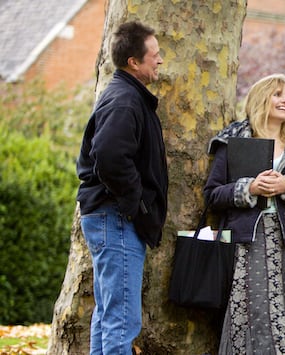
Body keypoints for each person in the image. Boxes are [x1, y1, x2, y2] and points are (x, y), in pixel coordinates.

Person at [204, 73, 285, 355]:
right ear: (262, 98)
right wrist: (250, 188)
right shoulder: (234, 140)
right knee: (256, 314)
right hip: (250, 241)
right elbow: (212, 194)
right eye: (278, 94)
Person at [75, 21, 167, 355]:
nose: (159, 60)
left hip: (110, 216)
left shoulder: (126, 96)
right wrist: (137, 204)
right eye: (154, 55)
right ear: (134, 62)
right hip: (116, 218)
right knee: (122, 321)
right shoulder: (125, 100)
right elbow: (111, 157)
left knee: (108, 316)